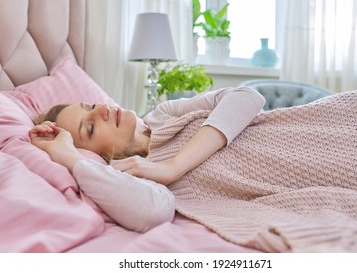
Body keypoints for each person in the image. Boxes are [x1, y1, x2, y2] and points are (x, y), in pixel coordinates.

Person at [30, 86, 265, 232]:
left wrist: (173, 167)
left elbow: (247, 96)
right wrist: (68, 156)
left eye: (91, 105)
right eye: (90, 127)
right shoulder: (131, 171)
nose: (102, 109)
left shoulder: (162, 115)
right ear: (95, 155)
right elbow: (153, 212)